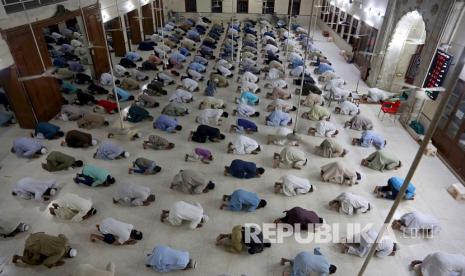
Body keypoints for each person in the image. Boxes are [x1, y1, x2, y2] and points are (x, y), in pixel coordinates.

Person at [12, 232, 77, 268]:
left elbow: (61, 234)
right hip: (32, 245)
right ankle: (18, 257)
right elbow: (47, 262)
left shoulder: (66, 241)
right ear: (67, 256)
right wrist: (55, 263)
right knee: (37, 261)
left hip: (36, 235)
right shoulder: (60, 254)